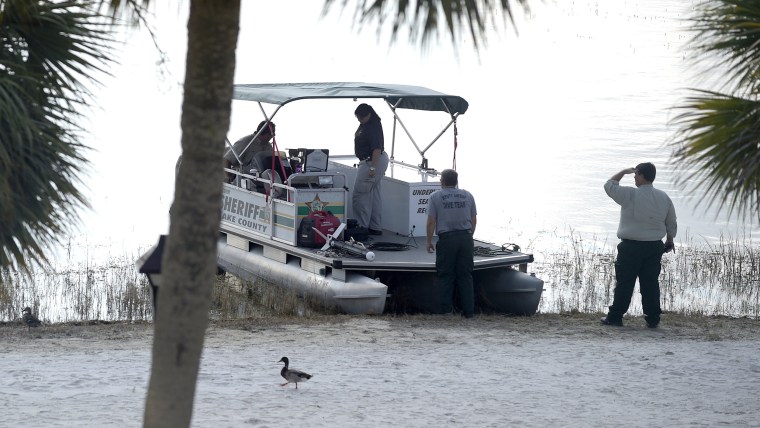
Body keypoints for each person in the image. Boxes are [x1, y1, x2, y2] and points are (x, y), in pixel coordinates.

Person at [601, 162, 677, 328]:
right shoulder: (663, 197)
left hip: (630, 247)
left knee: (625, 282)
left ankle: (615, 317)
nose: (634, 177)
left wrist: (623, 171)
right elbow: (671, 221)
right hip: (654, 247)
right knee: (650, 284)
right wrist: (670, 240)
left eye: (636, 174)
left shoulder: (630, 194)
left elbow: (609, 185)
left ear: (642, 175)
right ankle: (653, 319)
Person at [426, 169, 478, 318]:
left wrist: (429, 241)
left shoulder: (435, 196)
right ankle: (468, 312)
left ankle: (447, 311)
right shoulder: (468, 195)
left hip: (447, 238)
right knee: (466, 275)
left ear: (442, 181)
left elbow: (431, 221)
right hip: (466, 238)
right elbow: (474, 219)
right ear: (456, 181)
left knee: (446, 275)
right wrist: (469, 236)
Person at [352, 103, 389, 235]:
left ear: (369, 115)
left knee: (361, 195)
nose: (359, 120)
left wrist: (373, 167)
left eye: (361, 117)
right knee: (374, 194)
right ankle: (375, 226)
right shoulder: (368, 123)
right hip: (375, 160)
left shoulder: (372, 127)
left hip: (371, 161)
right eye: (358, 118)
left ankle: (362, 226)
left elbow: (376, 148)